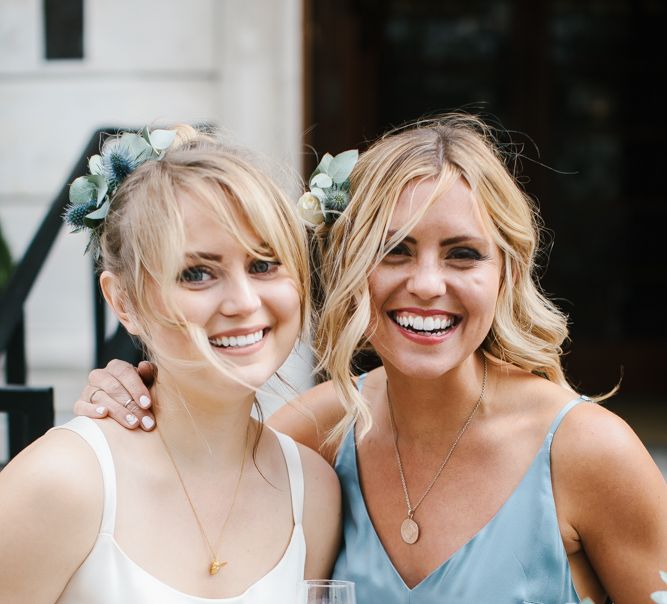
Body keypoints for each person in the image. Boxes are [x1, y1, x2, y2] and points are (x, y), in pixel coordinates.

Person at [73, 114, 667, 604]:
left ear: (505, 273)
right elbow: (185, 509)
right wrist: (136, 399)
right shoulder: (320, 430)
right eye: (395, 251)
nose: (428, 284)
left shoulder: (588, 453)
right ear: (350, 266)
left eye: (462, 254)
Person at [0, 125, 341, 603]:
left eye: (264, 265)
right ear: (123, 302)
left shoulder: (314, 495)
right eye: (197, 273)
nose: (244, 301)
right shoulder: (61, 484)